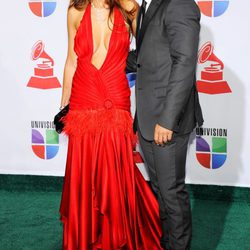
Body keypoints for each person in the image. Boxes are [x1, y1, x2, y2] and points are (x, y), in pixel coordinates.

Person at [59, 0, 163, 249]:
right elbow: (71, 61)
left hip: (115, 98)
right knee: (85, 170)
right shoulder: (75, 12)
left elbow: (150, 40)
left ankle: (117, 237)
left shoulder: (128, 11)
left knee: (114, 168)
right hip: (83, 98)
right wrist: (63, 106)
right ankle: (86, 235)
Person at [134, 0, 204, 249]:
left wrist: (167, 120)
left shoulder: (179, 4)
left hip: (166, 121)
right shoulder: (147, 6)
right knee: (162, 191)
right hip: (148, 118)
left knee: (171, 193)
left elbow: (185, 63)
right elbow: (144, 59)